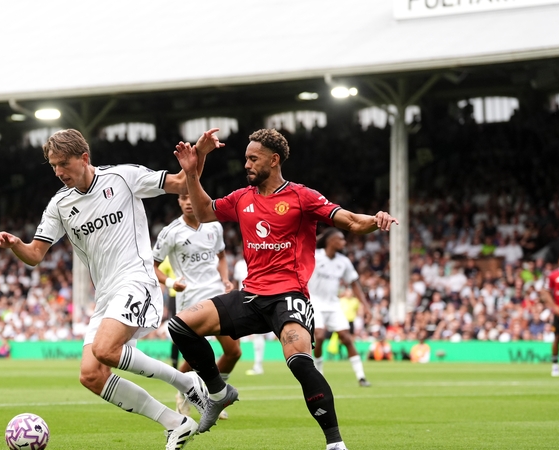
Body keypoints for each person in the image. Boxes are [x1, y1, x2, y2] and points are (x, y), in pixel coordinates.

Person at [0, 129, 223, 450]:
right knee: (91, 375)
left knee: (105, 350)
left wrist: (201, 156)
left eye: (63, 164)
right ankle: (176, 423)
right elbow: (34, 255)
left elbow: (183, 183)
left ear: (84, 158)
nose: (58, 172)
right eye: (53, 166)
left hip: (137, 280)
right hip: (106, 296)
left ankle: (188, 384)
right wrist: (15, 243)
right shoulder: (60, 204)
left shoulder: (124, 178)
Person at [168, 128, 397, 450]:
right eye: (245, 158)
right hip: (250, 295)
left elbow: (350, 221)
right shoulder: (242, 198)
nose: (246, 164)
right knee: (180, 326)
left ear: (273, 160)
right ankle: (218, 394)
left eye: (253, 158)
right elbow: (205, 211)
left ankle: (335, 444)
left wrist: (376, 219)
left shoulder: (302, 197)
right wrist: (193, 170)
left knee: (300, 361)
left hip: (288, 296)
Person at [153, 194, 240, 418]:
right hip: (190, 298)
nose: (189, 202)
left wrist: (225, 278)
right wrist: (172, 282)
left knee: (233, 352)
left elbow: (221, 257)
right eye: (184, 198)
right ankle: (183, 394)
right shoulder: (170, 232)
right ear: (179, 202)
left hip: (217, 294)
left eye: (192, 197)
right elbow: (152, 266)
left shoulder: (214, 226)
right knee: (198, 358)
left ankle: (215, 397)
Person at [309, 228, 372, 387]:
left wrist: (366, 306)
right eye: (341, 239)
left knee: (346, 338)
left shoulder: (343, 262)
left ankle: (361, 377)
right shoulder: (314, 256)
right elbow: (302, 246)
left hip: (333, 304)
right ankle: (319, 375)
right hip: (314, 302)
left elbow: (354, 284)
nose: (344, 242)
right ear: (331, 241)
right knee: (320, 335)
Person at [233, 257, 266, 376]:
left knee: (258, 334)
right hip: (241, 301)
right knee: (232, 331)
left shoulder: (260, 261)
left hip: (257, 301)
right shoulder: (239, 265)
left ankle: (258, 365)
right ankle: (229, 363)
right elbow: (236, 283)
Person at [158, 256, 181, 369]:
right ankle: (175, 366)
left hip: (190, 296)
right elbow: (161, 281)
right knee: (176, 334)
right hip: (175, 298)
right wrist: (162, 303)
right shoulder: (166, 259)